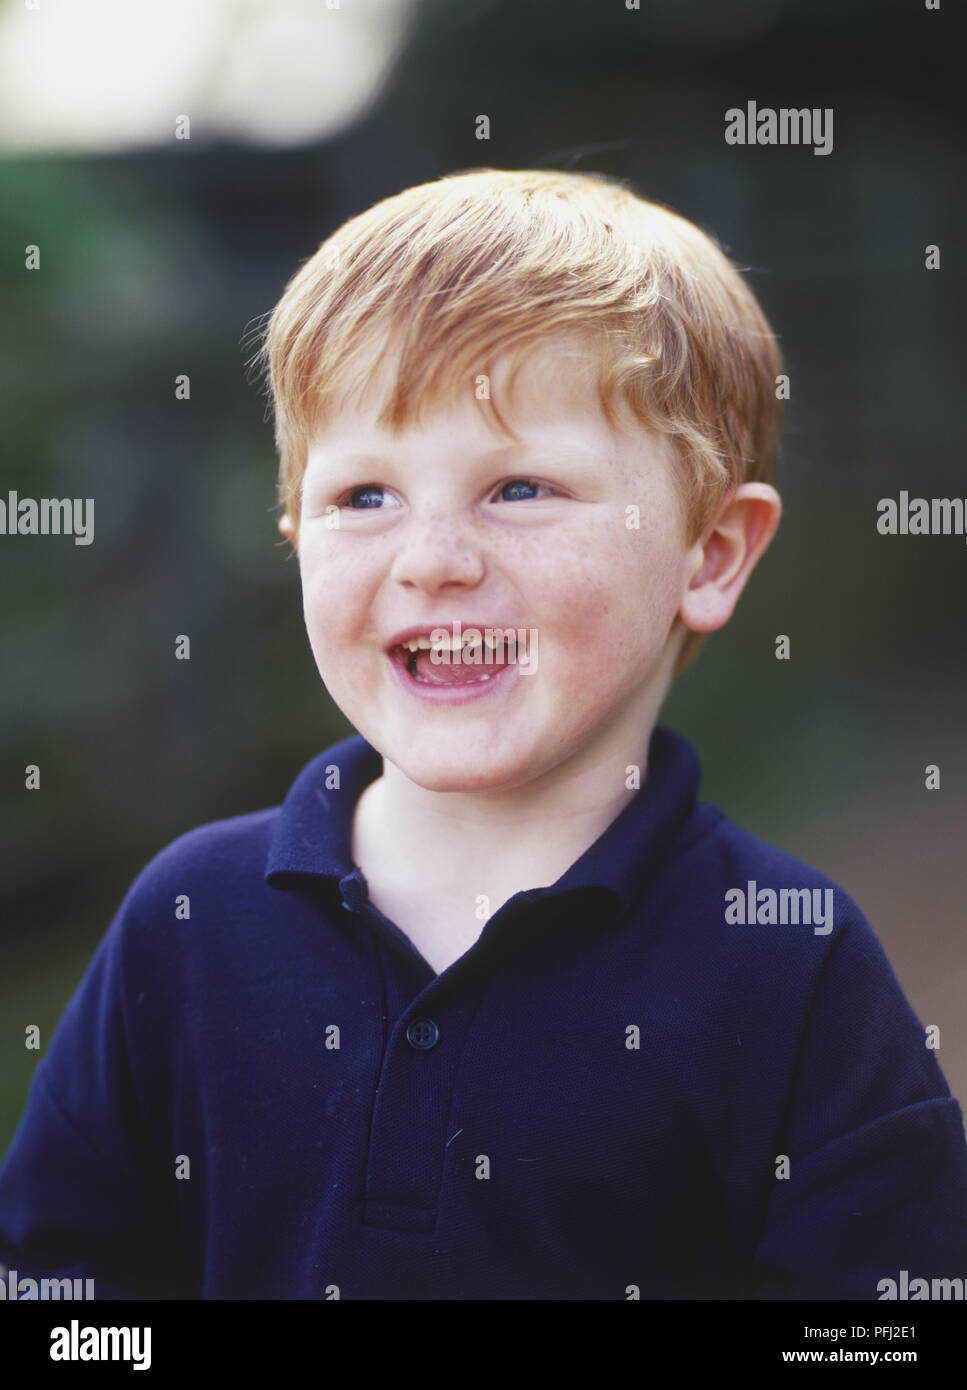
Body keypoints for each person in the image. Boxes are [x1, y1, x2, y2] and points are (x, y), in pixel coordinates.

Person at [1, 168, 965, 1300]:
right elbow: (55, 1290)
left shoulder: (786, 961)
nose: (431, 557)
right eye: (364, 496)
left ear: (710, 554)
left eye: (517, 487)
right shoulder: (189, 918)